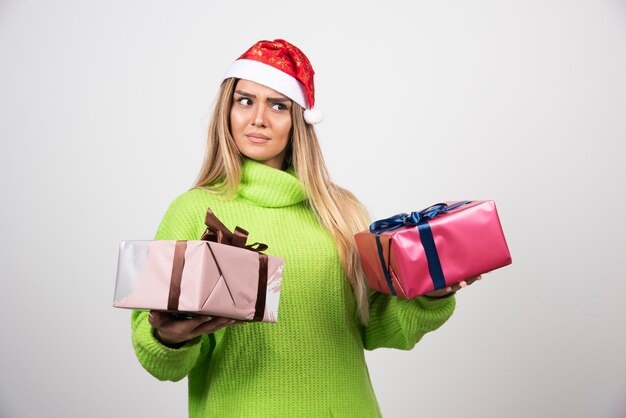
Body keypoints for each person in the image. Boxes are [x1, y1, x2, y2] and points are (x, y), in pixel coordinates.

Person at [131, 39, 477, 417]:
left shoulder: (340, 212)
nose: (258, 118)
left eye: (278, 105)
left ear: (299, 119)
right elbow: (159, 361)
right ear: (226, 111)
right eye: (245, 101)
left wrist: (433, 294)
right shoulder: (193, 210)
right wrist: (168, 339)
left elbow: (379, 327)